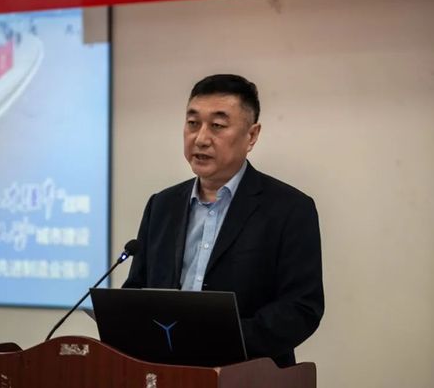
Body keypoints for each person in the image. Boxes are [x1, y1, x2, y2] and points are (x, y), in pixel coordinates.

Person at [123, 74, 324, 367]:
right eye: (193, 123)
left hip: (249, 373)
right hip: (167, 372)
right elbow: (137, 290)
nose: (201, 138)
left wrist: (220, 339)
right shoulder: (162, 205)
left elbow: (301, 308)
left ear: (251, 136)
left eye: (217, 126)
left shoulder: (289, 209)